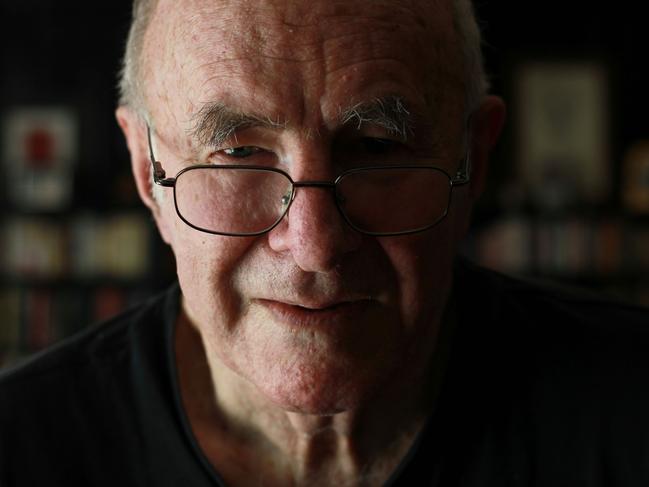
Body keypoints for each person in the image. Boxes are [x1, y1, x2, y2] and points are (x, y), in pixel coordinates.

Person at [2, 0, 649, 485]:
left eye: (375, 147)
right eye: (237, 153)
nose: (314, 244)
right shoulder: (25, 445)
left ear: (473, 162)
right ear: (148, 176)